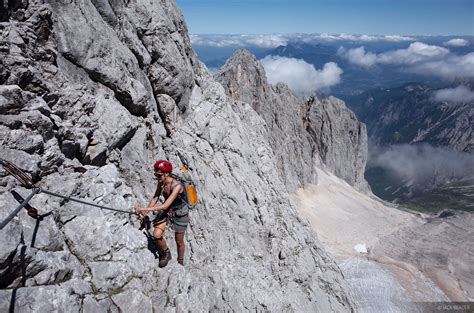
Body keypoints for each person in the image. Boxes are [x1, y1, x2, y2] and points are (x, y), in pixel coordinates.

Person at [134, 160, 190, 267]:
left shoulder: (177, 186)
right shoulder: (162, 182)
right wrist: (145, 212)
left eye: (159, 175)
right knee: (156, 235)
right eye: (156, 174)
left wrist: (143, 208)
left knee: (179, 242)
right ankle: (166, 253)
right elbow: (155, 198)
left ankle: (180, 261)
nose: (157, 177)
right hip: (168, 212)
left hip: (180, 215)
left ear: (166, 174)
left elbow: (165, 205)